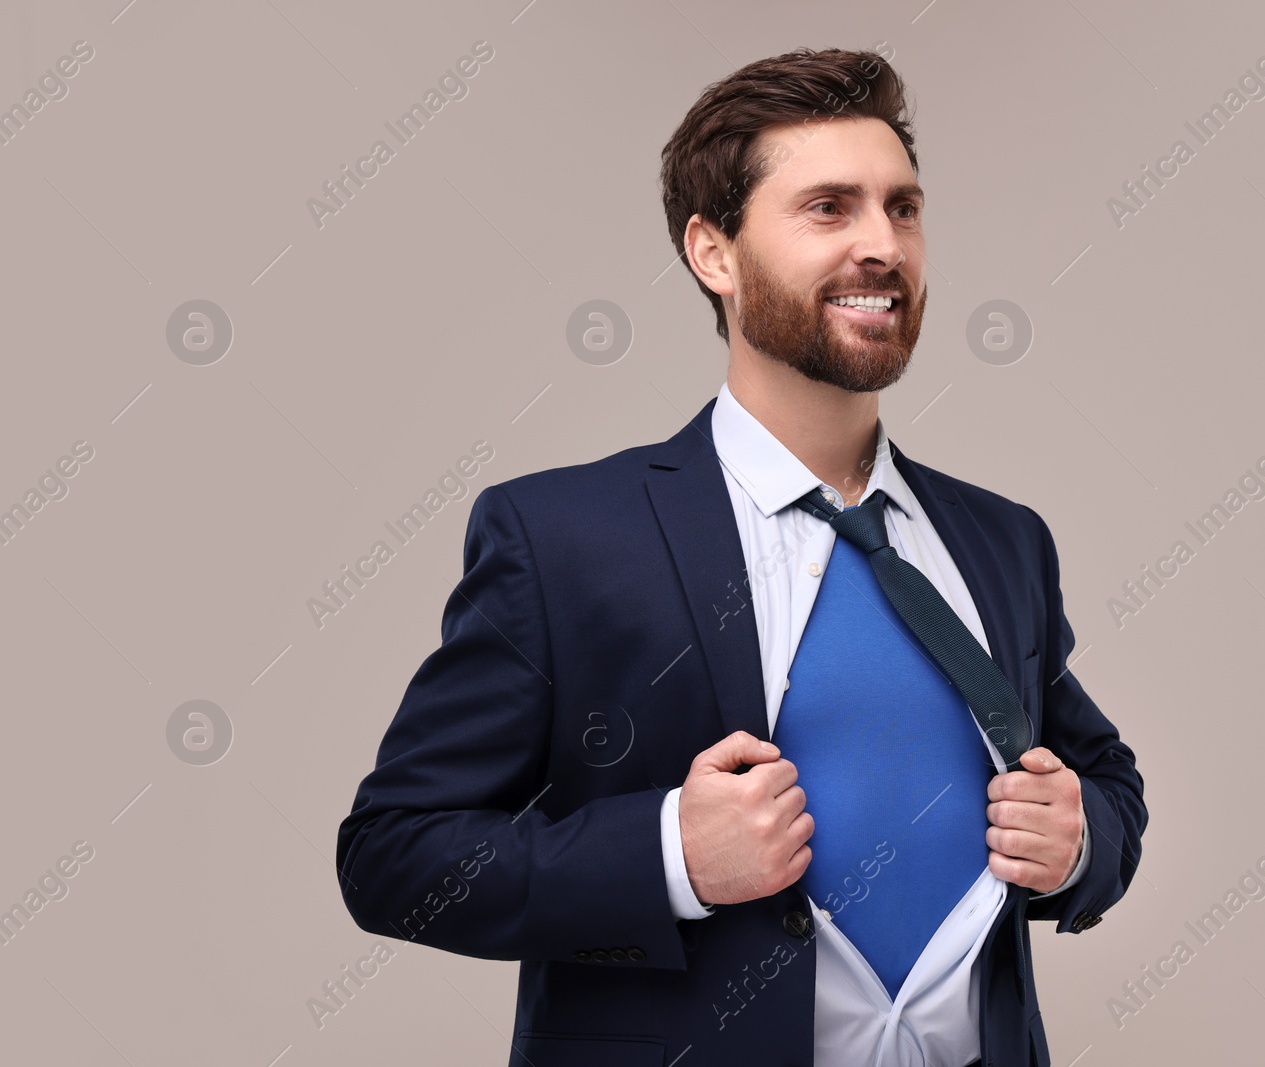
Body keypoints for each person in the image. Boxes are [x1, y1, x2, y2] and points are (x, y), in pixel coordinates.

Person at [336, 46, 1146, 1067]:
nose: (880, 244)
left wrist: (1078, 848)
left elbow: (1100, 776)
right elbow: (393, 853)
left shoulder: (1000, 539)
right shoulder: (564, 538)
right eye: (827, 208)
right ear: (713, 252)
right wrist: (670, 852)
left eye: (903, 208)